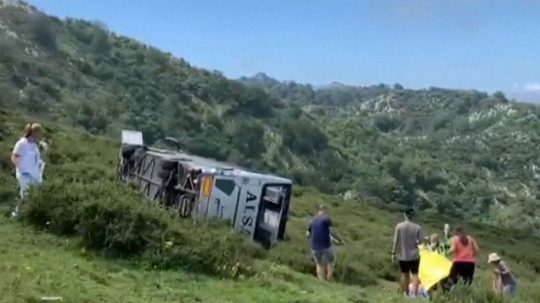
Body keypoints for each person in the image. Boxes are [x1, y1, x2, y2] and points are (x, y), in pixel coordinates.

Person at [11, 123, 44, 217]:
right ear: (33, 132)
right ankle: (17, 214)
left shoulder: (35, 144)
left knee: (35, 193)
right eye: (39, 132)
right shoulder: (22, 143)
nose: (40, 134)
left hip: (34, 173)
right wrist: (21, 169)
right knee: (26, 193)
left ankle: (29, 213)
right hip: (24, 173)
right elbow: (14, 156)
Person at [391, 208, 423, 297]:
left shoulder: (399, 226)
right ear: (412, 216)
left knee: (405, 274)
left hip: (403, 255)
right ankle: (415, 295)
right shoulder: (418, 227)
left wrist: (393, 253)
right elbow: (420, 241)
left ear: (404, 214)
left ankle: (406, 293)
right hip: (415, 255)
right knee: (415, 274)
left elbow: (396, 241)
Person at [306, 204, 335, 281]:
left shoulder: (312, 220)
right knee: (331, 260)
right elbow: (331, 231)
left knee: (319, 264)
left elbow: (307, 234)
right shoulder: (327, 219)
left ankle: (321, 281)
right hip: (326, 245)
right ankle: (329, 277)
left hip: (315, 247)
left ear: (319, 210)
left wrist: (313, 239)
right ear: (325, 210)